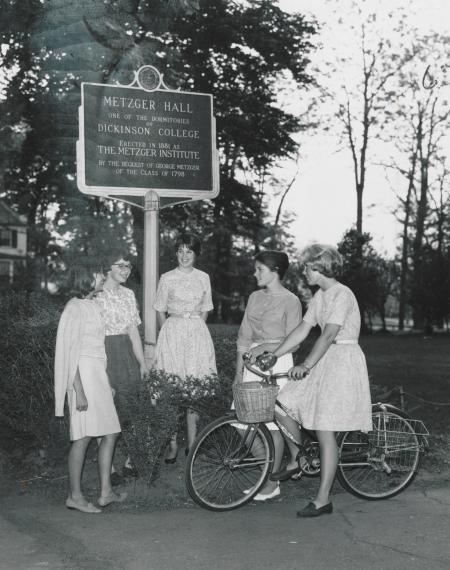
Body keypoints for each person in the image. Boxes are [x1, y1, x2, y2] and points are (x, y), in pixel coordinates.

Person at [257, 244, 372, 517]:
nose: (304, 272)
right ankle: (299, 457)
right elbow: (303, 329)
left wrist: (306, 364)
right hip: (325, 359)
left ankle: (323, 500)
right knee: (282, 402)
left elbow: (329, 334)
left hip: (342, 359)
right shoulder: (320, 296)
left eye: (307, 267)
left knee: (324, 428)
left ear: (320, 268)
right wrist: (274, 355)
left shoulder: (342, 294)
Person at [54, 265, 126, 513]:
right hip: (82, 377)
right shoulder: (73, 307)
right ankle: (74, 496)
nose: (103, 278)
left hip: (97, 376)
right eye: (98, 275)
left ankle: (106, 493)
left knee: (110, 432)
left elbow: (99, 350)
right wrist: (79, 391)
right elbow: (68, 353)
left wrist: (105, 383)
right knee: (83, 437)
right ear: (86, 279)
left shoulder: (93, 305)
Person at [235, 250, 302, 501]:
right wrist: (237, 374)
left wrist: (266, 347)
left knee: (276, 421)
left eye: (259, 269)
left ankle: (272, 482)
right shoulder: (253, 297)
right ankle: (268, 471)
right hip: (252, 363)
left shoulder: (291, 300)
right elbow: (243, 337)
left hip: (278, 360)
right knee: (241, 422)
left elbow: (294, 342)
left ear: (275, 272)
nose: (255, 274)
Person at [154, 233, 217, 462]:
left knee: (194, 390)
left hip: (196, 334)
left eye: (188, 251)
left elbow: (206, 308)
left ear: (196, 254)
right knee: (171, 391)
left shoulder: (204, 277)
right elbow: (160, 308)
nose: (184, 256)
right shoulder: (167, 278)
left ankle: (192, 444)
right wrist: (168, 333)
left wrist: (196, 331)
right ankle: (172, 446)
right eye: (180, 251)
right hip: (173, 332)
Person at [94, 253, 148, 479]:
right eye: (121, 265)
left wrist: (142, 363)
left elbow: (133, 332)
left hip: (126, 354)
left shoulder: (128, 294)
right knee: (104, 411)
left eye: (129, 266)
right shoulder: (95, 294)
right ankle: (110, 469)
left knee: (132, 409)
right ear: (107, 268)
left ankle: (131, 461)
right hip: (102, 354)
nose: (126, 270)